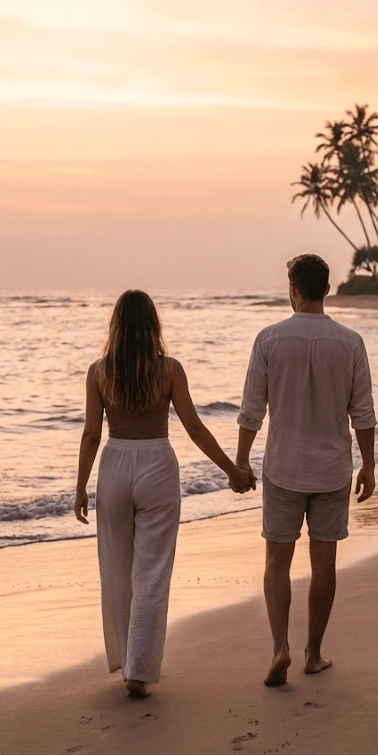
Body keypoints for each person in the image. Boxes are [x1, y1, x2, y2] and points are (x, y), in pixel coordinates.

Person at [75, 289, 253, 699]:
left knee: (118, 569)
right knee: (151, 571)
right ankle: (139, 668)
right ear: (153, 325)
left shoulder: (99, 372)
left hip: (115, 466)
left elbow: (90, 435)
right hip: (157, 465)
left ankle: (127, 661)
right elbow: (193, 427)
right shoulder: (169, 369)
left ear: (115, 326)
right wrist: (233, 471)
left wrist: (81, 487)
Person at [235, 254, 376, 687]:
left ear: (292, 289)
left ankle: (281, 648)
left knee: (277, 561)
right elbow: (364, 414)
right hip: (332, 469)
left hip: (283, 469)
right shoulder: (350, 342)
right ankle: (313, 654)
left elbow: (251, 411)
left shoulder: (269, 339)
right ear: (326, 290)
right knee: (324, 563)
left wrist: (241, 461)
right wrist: (368, 464)